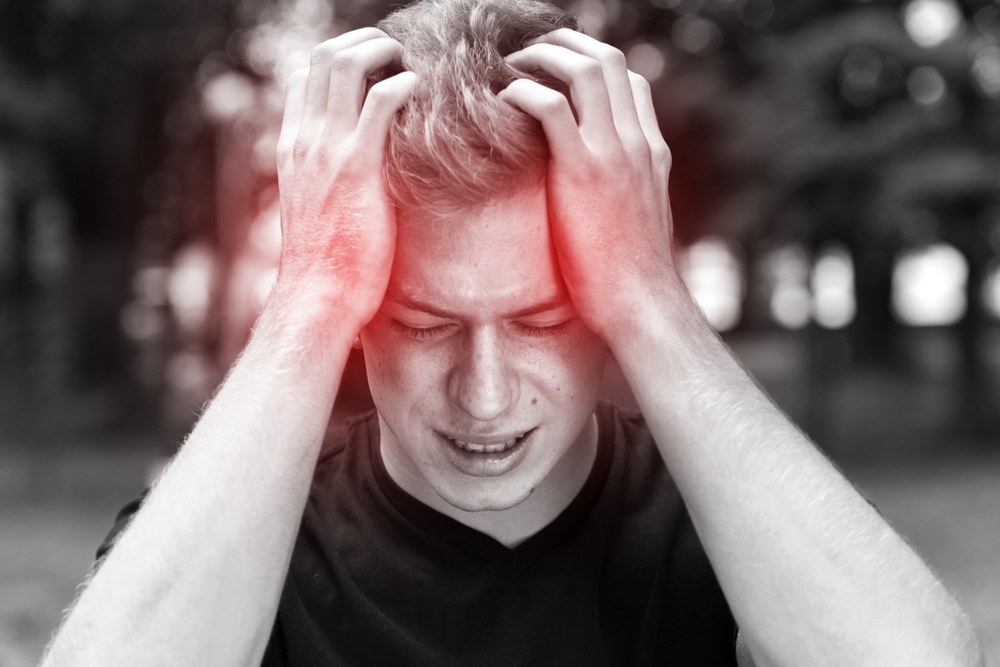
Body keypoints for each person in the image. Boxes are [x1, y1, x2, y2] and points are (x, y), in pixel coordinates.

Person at [42, 0, 983, 665]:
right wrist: (310, 296)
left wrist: (651, 299)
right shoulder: (250, 534)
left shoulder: (720, 531)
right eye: (422, 321)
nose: (484, 394)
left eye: (542, 319)